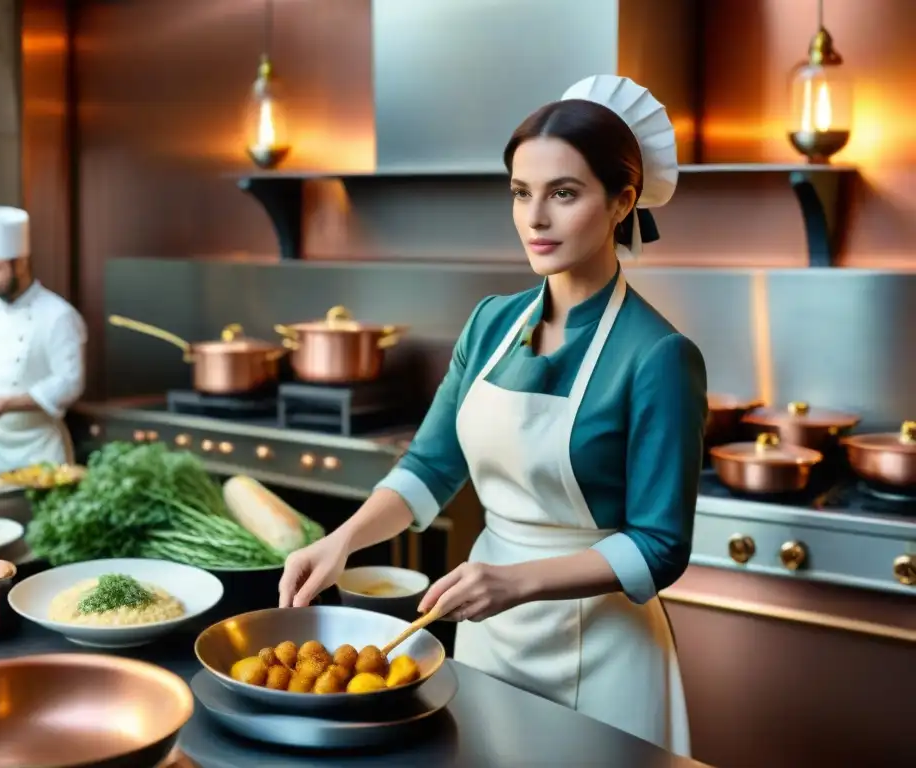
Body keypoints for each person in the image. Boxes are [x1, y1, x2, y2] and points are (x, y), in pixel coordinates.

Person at [278, 74, 706, 756]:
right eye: (521, 193)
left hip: (602, 652)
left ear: (622, 200)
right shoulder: (491, 324)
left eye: (564, 194)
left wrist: (515, 582)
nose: (535, 219)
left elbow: (660, 546)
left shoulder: (658, 355)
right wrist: (344, 540)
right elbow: (430, 466)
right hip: (486, 631)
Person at [0, 206, 88, 474]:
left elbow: (69, 382)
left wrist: (3, 403)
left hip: (41, 449)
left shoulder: (58, 315)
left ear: (20, 263)